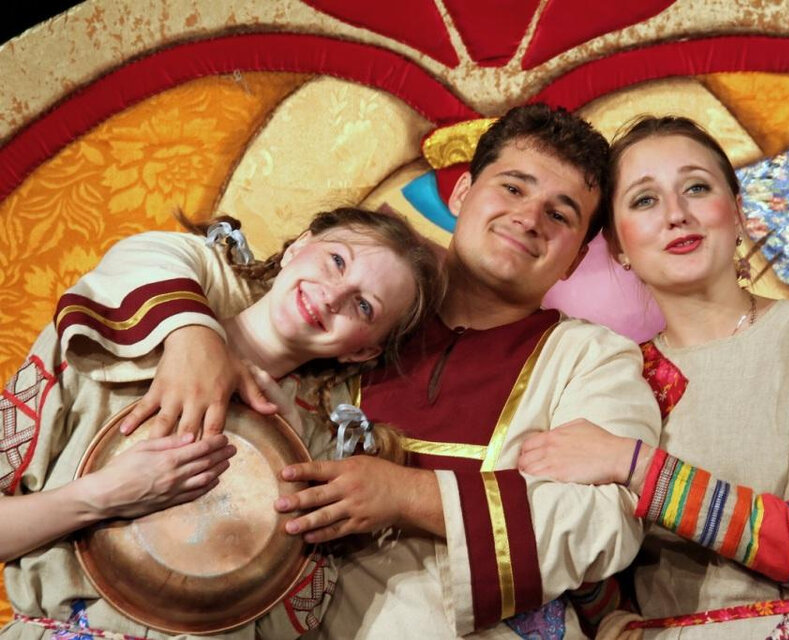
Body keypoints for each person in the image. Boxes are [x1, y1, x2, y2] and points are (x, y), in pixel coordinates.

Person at [46, 104, 664, 638]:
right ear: (461, 194)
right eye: (513, 187)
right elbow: (163, 254)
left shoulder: (592, 359)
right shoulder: (346, 308)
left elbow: (606, 522)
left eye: (560, 214)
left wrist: (407, 495)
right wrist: (192, 335)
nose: (529, 218)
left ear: (575, 259)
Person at [518, 116, 789, 638]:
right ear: (618, 245)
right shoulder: (614, 373)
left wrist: (632, 463)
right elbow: (594, 573)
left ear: (738, 212)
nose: (676, 214)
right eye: (644, 200)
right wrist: (609, 612)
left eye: (696, 188)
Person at [0, 207, 445, 639]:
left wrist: (291, 454)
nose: (332, 296)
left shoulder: (322, 460)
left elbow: (288, 626)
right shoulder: (101, 339)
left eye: (364, 306)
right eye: (336, 261)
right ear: (298, 247)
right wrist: (101, 496)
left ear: (362, 351)